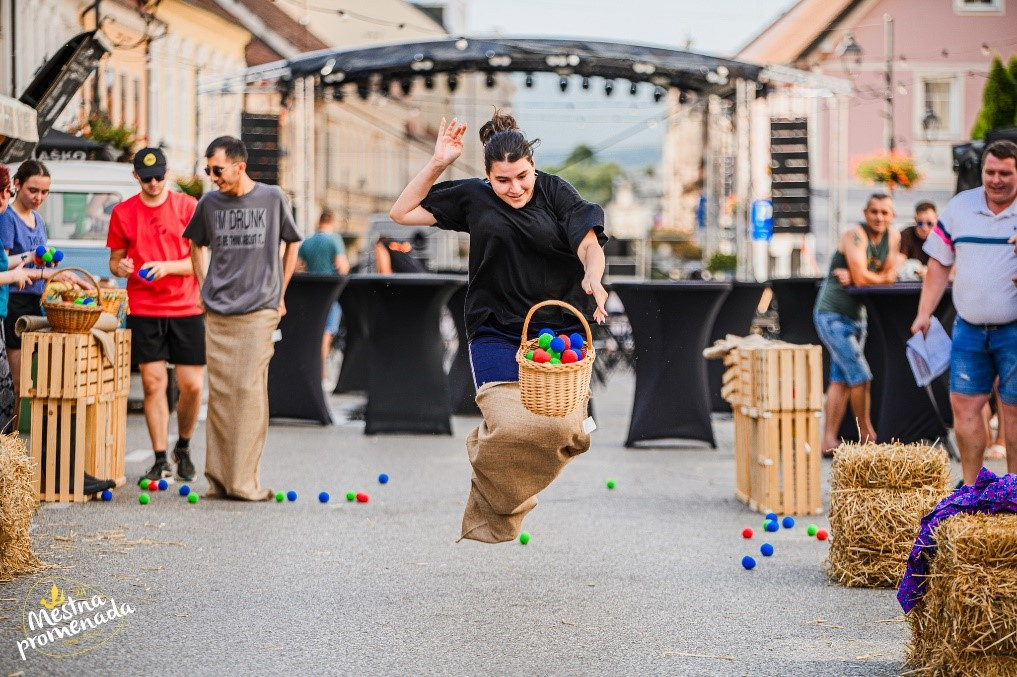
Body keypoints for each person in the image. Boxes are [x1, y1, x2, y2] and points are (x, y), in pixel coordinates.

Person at [389, 112, 608, 542]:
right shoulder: (474, 197)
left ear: (532, 165)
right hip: (494, 326)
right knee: (511, 427)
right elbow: (402, 212)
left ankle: (497, 464)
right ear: (488, 176)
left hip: (561, 326)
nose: (515, 189)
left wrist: (592, 276)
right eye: (503, 180)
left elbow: (589, 243)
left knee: (564, 431)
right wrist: (438, 162)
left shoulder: (556, 192)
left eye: (522, 177)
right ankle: (499, 502)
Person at [183, 136, 301, 501]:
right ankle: (218, 480)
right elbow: (195, 244)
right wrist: (204, 287)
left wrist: (279, 294)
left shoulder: (272, 198)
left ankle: (244, 482)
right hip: (219, 310)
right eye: (207, 170)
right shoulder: (209, 202)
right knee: (220, 395)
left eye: (217, 170)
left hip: (259, 309)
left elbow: (292, 242)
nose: (212, 176)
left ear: (239, 166)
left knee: (247, 391)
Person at [912, 139, 1017, 486]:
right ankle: (973, 490)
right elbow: (939, 264)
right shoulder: (960, 207)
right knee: (965, 408)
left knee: (1014, 414)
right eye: (990, 172)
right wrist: (924, 313)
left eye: (1005, 172)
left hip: (1014, 329)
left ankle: (1014, 491)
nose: (996, 179)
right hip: (969, 328)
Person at [107, 147, 204, 484]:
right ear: (136, 176)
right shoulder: (122, 212)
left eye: (159, 177)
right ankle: (160, 456)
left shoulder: (188, 207)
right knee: (153, 383)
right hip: (145, 308)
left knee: (192, 386)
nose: (153, 183)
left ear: (168, 173)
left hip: (186, 307)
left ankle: (185, 445)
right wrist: (122, 266)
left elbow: (201, 260)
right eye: (146, 178)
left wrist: (167, 267)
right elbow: (115, 261)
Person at [814, 193, 902, 455]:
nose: (879, 217)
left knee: (840, 379)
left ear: (892, 216)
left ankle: (829, 440)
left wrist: (859, 275)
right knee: (861, 376)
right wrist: (864, 276)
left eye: (885, 212)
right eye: (874, 211)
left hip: (857, 318)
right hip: (832, 314)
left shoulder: (893, 237)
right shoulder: (855, 235)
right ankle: (867, 437)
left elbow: (888, 275)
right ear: (865, 213)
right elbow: (871, 278)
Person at [0, 160, 70, 405]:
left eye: (44, 192)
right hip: (13, 299)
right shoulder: (7, 218)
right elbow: (3, 262)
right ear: (17, 185)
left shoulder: (38, 220)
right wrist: (41, 272)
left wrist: (46, 266)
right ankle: (10, 441)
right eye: (33, 190)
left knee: (29, 382)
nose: (39, 197)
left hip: (34, 300)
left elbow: (38, 258)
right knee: (16, 382)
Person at [0, 166, 36, 432]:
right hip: (8, 309)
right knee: (7, 392)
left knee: (7, 393)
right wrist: (14, 276)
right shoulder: (7, 219)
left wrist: (31, 264)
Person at [296, 208, 350, 382]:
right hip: (329, 292)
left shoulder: (307, 241)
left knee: (313, 331)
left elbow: (297, 267)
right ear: (331, 222)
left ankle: (312, 369)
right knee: (327, 333)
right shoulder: (334, 240)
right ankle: (321, 372)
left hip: (311, 292)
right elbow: (343, 268)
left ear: (319, 222)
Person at [898, 201, 935, 279]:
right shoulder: (906, 234)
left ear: (936, 220)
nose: (925, 228)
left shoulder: (942, 237)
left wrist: (931, 272)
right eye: (920, 223)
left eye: (929, 223)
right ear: (915, 220)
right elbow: (899, 260)